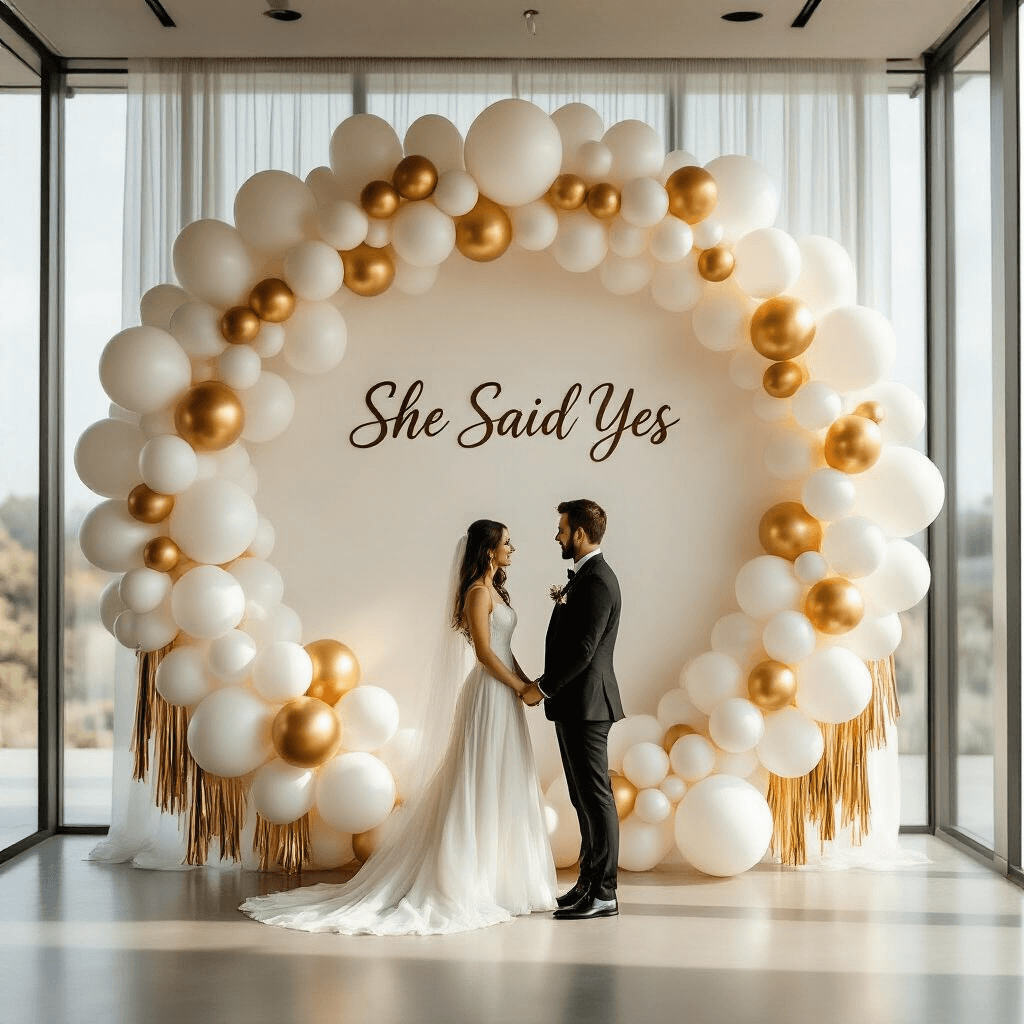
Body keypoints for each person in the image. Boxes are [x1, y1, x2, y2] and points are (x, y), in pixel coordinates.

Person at [240, 519, 557, 935]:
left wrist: (529, 685)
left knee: (505, 776)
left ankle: (503, 879)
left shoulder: (494, 590)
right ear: (488, 550)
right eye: (507, 543)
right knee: (478, 777)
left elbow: (503, 649)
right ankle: (469, 878)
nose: (512, 549)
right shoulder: (478, 593)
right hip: (488, 695)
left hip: (506, 695)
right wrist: (518, 687)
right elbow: (483, 653)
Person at [520, 499, 624, 921]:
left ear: (579, 533)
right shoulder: (585, 577)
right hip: (575, 705)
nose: (557, 536)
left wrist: (542, 688)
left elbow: (583, 650)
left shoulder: (597, 580)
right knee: (582, 798)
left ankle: (604, 893)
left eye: (562, 529)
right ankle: (586, 882)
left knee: (596, 799)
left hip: (588, 705)